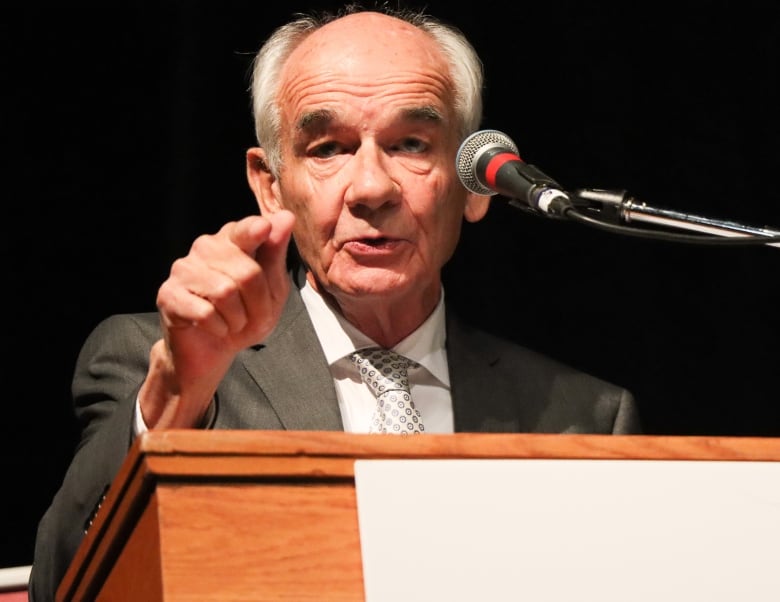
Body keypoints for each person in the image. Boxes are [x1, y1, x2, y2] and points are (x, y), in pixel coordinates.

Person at [29, 3, 642, 600]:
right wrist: (173, 396)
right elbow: (59, 587)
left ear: (474, 182)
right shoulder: (155, 363)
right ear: (271, 187)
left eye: (410, 144)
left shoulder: (585, 416)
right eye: (327, 149)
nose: (371, 188)